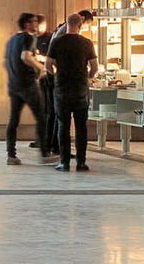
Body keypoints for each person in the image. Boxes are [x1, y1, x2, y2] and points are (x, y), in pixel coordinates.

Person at [47, 12, 100, 173]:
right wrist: (88, 78)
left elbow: (47, 65)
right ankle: (81, 162)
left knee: (63, 126)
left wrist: (56, 75)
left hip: (62, 89)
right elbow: (95, 67)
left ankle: (64, 163)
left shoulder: (56, 42)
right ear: (80, 25)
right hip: (80, 90)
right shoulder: (87, 43)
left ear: (67, 24)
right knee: (81, 127)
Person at [3, 13, 51, 162]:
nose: (37, 24)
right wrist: (40, 68)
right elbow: (25, 57)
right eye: (34, 21)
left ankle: (11, 155)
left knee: (13, 120)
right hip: (28, 85)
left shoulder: (11, 40)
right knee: (42, 117)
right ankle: (44, 154)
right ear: (27, 24)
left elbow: (6, 62)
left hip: (13, 85)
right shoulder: (28, 38)